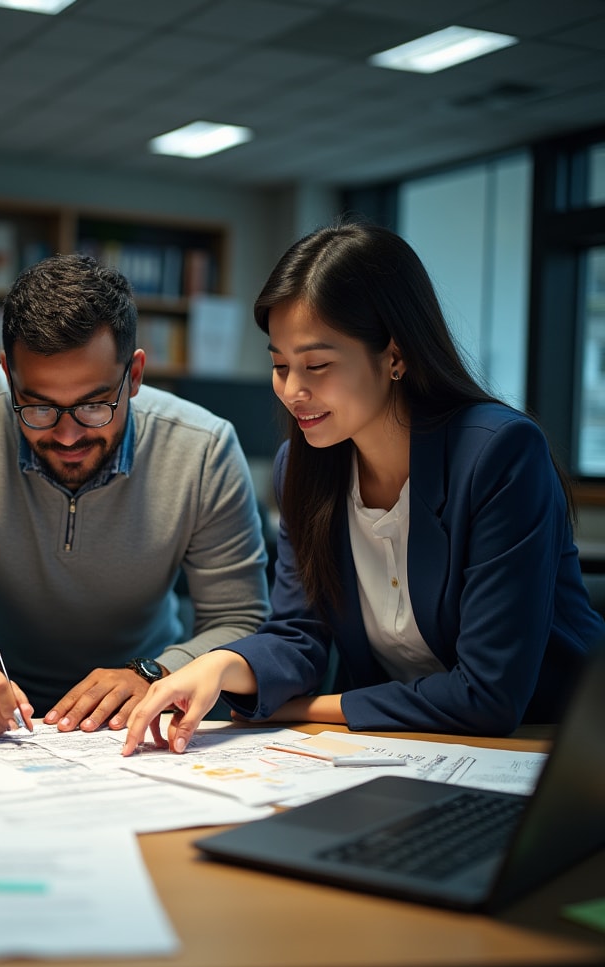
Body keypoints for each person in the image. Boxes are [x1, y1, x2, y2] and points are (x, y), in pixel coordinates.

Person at [123, 219, 605, 760]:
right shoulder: (301, 467)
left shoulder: (499, 454)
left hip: (552, 749)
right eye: (280, 366)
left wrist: (307, 708)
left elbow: (489, 696)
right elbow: (297, 637)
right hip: (407, 749)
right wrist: (218, 665)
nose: (293, 391)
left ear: (395, 355)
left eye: (318, 365)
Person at [0, 251, 269, 737]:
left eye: (93, 405)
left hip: (140, 712)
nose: (66, 436)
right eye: (37, 407)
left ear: (136, 375)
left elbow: (241, 619)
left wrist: (155, 673)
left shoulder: (204, 449)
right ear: (8, 375)